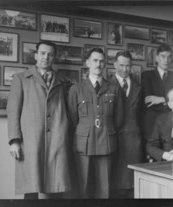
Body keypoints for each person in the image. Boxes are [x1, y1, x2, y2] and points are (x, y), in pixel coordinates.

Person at [7, 41, 72, 199]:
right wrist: (14, 141)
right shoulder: (20, 79)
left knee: (56, 186)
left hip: (57, 140)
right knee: (32, 187)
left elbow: (69, 111)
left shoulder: (63, 82)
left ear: (54, 57)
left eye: (50, 54)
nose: (46, 57)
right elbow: (13, 111)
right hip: (31, 140)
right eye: (42, 53)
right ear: (36, 55)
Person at [67, 48, 124, 198]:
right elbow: (72, 119)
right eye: (95, 60)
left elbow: (118, 119)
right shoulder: (76, 89)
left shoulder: (114, 88)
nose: (98, 64)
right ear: (87, 63)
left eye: (101, 61)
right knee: (83, 186)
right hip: (84, 144)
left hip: (106, 142)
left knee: (105, 188)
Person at [108, 51, 144, 198]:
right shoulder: (106, 84)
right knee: (115, 183)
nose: (124, 69)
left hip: (133, 139)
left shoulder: (138, 86)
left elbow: (142, 114)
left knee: (132, 184)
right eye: (121, 65)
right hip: (113, 139)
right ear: (115, 64)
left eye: (128, 65)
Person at [141, 44, 173, 143]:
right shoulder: (147, 76)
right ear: (156, 58)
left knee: (171, 156)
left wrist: (162, 100)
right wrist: (171, 102)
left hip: (171, 125)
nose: (166, 60)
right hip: (152, 125)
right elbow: (149, 102)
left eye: (169, 57)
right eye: (163, 56)